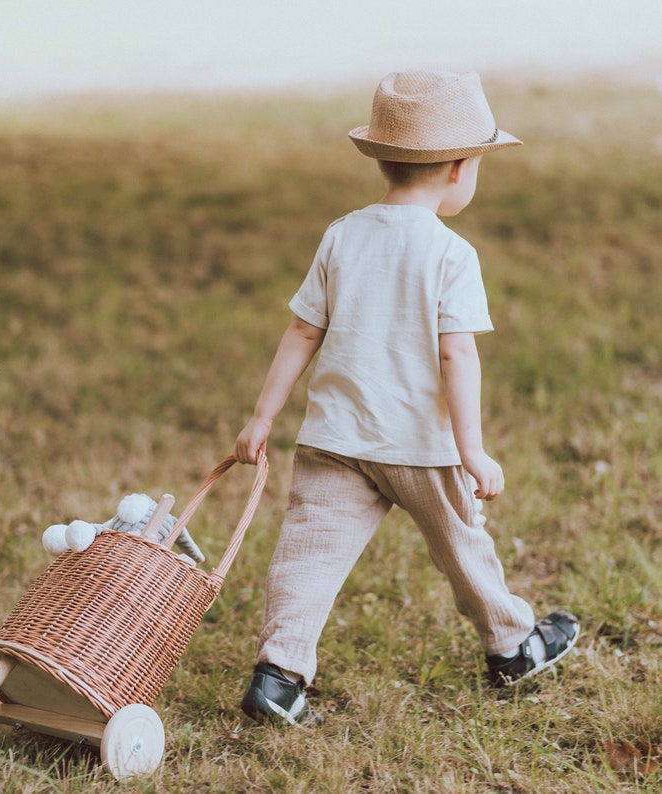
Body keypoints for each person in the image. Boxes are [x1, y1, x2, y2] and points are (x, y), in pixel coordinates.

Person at [232, 70, 579, 726]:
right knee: (461, 545)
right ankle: (511, 646)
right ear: (458, 169)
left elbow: (304, 328)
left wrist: (261, 417)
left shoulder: (343, 234)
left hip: (333, 439)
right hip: (420, 445)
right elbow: (457, 353)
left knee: (308, 553)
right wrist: (471, 450)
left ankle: (278, 675)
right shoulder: (451, 253)